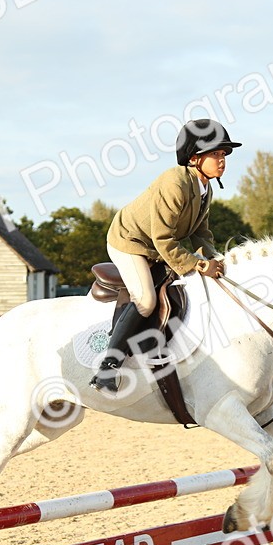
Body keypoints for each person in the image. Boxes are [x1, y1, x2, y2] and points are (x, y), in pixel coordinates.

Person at [90, 118, 241, 392]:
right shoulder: (175, 182)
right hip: (130, 241)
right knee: (146, 300)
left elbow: (200, 234)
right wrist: (198, 263)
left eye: (224, 155)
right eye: (215, 154)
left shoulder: (204, 188)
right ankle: (107, 367)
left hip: (156, 245)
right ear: (194, 158)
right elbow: (163, 239)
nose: (222, 161)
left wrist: (216, 259)